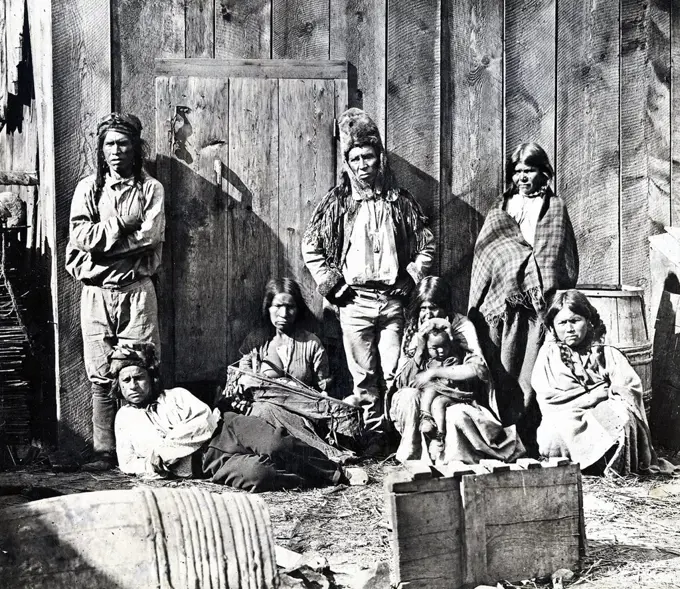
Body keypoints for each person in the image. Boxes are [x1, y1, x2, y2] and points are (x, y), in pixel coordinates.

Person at [301, 108, 435, 454]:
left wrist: (411, 275)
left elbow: (427, 244)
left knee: (396, 369)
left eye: (369, 157)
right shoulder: (338, 202)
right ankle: (375, 435)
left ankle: (401, 431)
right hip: (354, 301)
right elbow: (311, 245)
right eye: (356, 158)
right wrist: (332, 283)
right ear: (348, 162)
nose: (363, 165)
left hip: (393, 300)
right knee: (364, 376)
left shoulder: (400, 201)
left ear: (380, 159)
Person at [66, 112, 165, 471]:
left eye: (123, 143)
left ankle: (142, 448)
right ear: (101, 148)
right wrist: (122, 224)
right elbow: (80, 237)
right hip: (95, 293)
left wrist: (102, 245)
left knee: (140, 366)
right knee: (101, 372)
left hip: (136, 291)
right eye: (109, 143)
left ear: (135, 147)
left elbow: (150, 237)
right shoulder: (88, 189)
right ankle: (105, 451)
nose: (116, 151)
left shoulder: (150, 189)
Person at [113, 344, 351, 491]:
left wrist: (164, 452)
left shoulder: (175, 396)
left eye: (139, 377)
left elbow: (203, 422)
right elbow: (127, 463)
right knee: (258, 475)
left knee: (276, 444)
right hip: (206, 465)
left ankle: (336, 473)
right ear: (120, 387)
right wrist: (150, 465)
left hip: (227, 428)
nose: (133, 385)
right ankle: (310, 479)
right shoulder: (124, 420)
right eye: (126, 381)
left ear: (151, 378)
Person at [468, 143, 578, 454]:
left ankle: (528, 439)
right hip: (504, 309)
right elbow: (488, 254)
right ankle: (501, 439)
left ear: (543, 172)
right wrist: (514, 266)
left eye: (528, 171)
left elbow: (557, 256)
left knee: (531, 376)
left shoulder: (554, 209)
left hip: (538, 312)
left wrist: (540, 280)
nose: (522, 177)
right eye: (517, 172)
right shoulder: (501, 209)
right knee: (502, 373)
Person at [531, 290, 678, 475]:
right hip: (565, 415)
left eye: (575, 321)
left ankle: (609, 465)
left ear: (588, 320)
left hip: (601, 411)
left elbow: (628, 389)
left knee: (620, 415)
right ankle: (582, 464)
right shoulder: (548, 357)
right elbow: (548, 400)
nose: (569, 328)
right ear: (552, 327)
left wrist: (608, 396)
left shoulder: (605, 352)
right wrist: (592, 397)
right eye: (562, 323)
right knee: (555, 429)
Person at [390, 277, 524, 464]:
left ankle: (448, 460)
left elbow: (477, 370)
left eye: (434, 307)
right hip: (424, 395)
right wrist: (420, 349)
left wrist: (442, 361)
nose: (428, 314)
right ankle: (412, 459)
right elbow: (402, 382)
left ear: (445, 307)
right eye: (423, 308)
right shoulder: (413, 328)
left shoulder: (461, 325)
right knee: (407, 397)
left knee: (455, 413)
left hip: (455, 393)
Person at [231, 278, 361, 462]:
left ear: (298, 309)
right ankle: (325, 454)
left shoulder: (311, 343)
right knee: (265, 409)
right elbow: (243, 379)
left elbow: (323, 389)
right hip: (261, 416)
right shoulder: (256, 341)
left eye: (290, 306)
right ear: (267, 307)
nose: (283, 313)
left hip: (301, 415)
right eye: (277, 306)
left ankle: (311, 454)